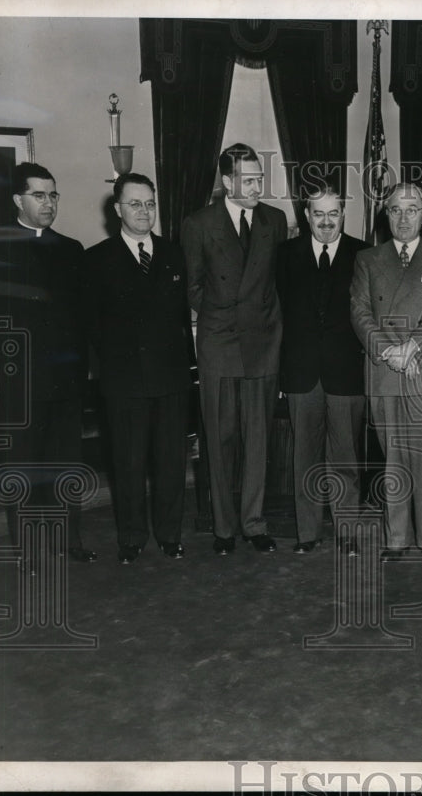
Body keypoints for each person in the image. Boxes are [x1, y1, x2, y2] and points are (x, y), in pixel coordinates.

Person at [0, 162, 97, 563]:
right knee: (23, 468)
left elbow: (82, 319)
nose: (49, 203)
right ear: (18, 199)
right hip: (20, 385)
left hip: (65, 383)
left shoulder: (71, 250)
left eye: (53, 195)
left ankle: (70, 542)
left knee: (66, 464)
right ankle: (28, 550)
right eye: (39, 195)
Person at [82, 173, 193, 563]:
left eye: (149, 203)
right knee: (127, 463)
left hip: (170, 378)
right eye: (134, 204)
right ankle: (131, 538)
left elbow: (182, 317)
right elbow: (92, 325)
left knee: (170, 462)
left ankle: (169, 535)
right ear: (117, 210)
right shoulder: (96, 259)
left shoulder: (174, 253)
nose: (144, 211)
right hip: (124, 380)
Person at [182, 144, 287, 555]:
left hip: (262, 345)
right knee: (220, 440)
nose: (257, 186)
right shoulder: (198, 224)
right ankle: (224, 529)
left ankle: (254, 523)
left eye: (260, 177)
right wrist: (223, 318)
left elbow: (276, 284)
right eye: (248, 179)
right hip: (220, 345)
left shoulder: (274, 220)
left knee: (258, 441)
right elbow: (193, 287)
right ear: (227, 182)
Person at [350, 182, 422, 565]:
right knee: (393, 458)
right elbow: (360, 313)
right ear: (386, 214)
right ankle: (396, 539)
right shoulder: (367, 259)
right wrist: (388, 352)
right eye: (396, 209)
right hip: (385, 371)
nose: (403, 217)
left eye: (412, 209)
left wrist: (411, 347)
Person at [276, 184, 368, 556]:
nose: (326, 221)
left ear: (343, 214)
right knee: (305, 458)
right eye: (318, 213)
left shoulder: (363, 254)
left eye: (333, 213)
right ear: (306, 216)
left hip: (346, 374)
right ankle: (307, 533)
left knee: (345, 458)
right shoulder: (284, 254)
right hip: (301, 373)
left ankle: (347, 535)